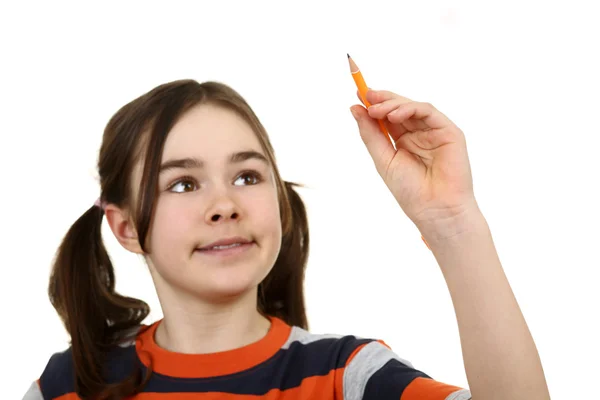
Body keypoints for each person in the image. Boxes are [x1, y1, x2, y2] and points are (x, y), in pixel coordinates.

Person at [23, 79, 550, 400]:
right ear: (125, 227)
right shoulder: (67, 386)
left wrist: (452, 222)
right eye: (183, 183)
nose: (224, 204)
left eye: (247, 176)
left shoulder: (347, 378)